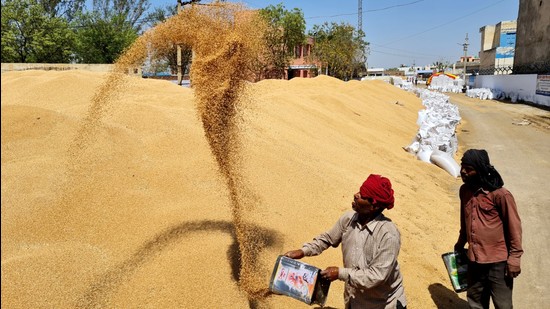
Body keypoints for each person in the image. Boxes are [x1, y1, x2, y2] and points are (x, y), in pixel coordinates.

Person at [284, 174, 407, 309]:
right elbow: (327, 239)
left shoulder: (388, 235)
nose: (356, 195)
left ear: (373, 206)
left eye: (362, 195)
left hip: (383, 304)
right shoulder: (349, 219)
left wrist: (339, 273)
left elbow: (377, 276)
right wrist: (303, 251)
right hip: (355, 301)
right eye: (359, 191)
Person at [454, 149, 523, 309]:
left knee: (503, 305)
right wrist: (460, 243)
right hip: (474, 260)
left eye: (469, 169)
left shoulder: (500, 195)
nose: (463, 171)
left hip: (498, 263)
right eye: (462, 166)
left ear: (480, 170)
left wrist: (514, 259)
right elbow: (464, 222)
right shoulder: (465, 191)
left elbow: (515, 228)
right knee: (475, 302)